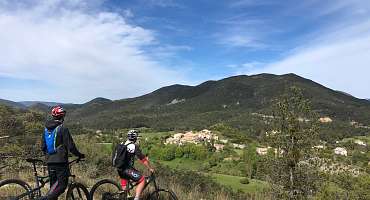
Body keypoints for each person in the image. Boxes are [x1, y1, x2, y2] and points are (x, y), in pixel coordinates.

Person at [39, 106, 85, 200]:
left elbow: (43, 147)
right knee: (62, 186)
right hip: (60, 162)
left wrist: (49, 156)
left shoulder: (46, 129)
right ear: (62, 117)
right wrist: (79, 155)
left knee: (53, 189)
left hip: (50, 162)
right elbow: (71, 146)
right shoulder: (62, 128)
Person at [114, 129, 154, 200]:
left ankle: (124, 197)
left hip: (119, 167)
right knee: (142, 180)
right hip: (126, 168)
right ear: (135, 138)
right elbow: (142, 159)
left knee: (125, 190)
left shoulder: (122, 143)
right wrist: (150, 168)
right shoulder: (133, 146)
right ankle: (137, 198)